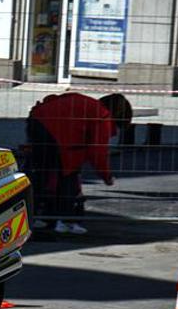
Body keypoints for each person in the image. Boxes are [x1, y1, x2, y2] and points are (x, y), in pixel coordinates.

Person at [26, 92, 132, 235]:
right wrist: (107, 177)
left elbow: (53, 99)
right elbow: (98, 152)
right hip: (56, 134)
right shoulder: (102, 116)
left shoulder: (89, 105)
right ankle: (63, 220)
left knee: (43, 173)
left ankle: (38, 215)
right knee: (67, 176)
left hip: (38, 121)